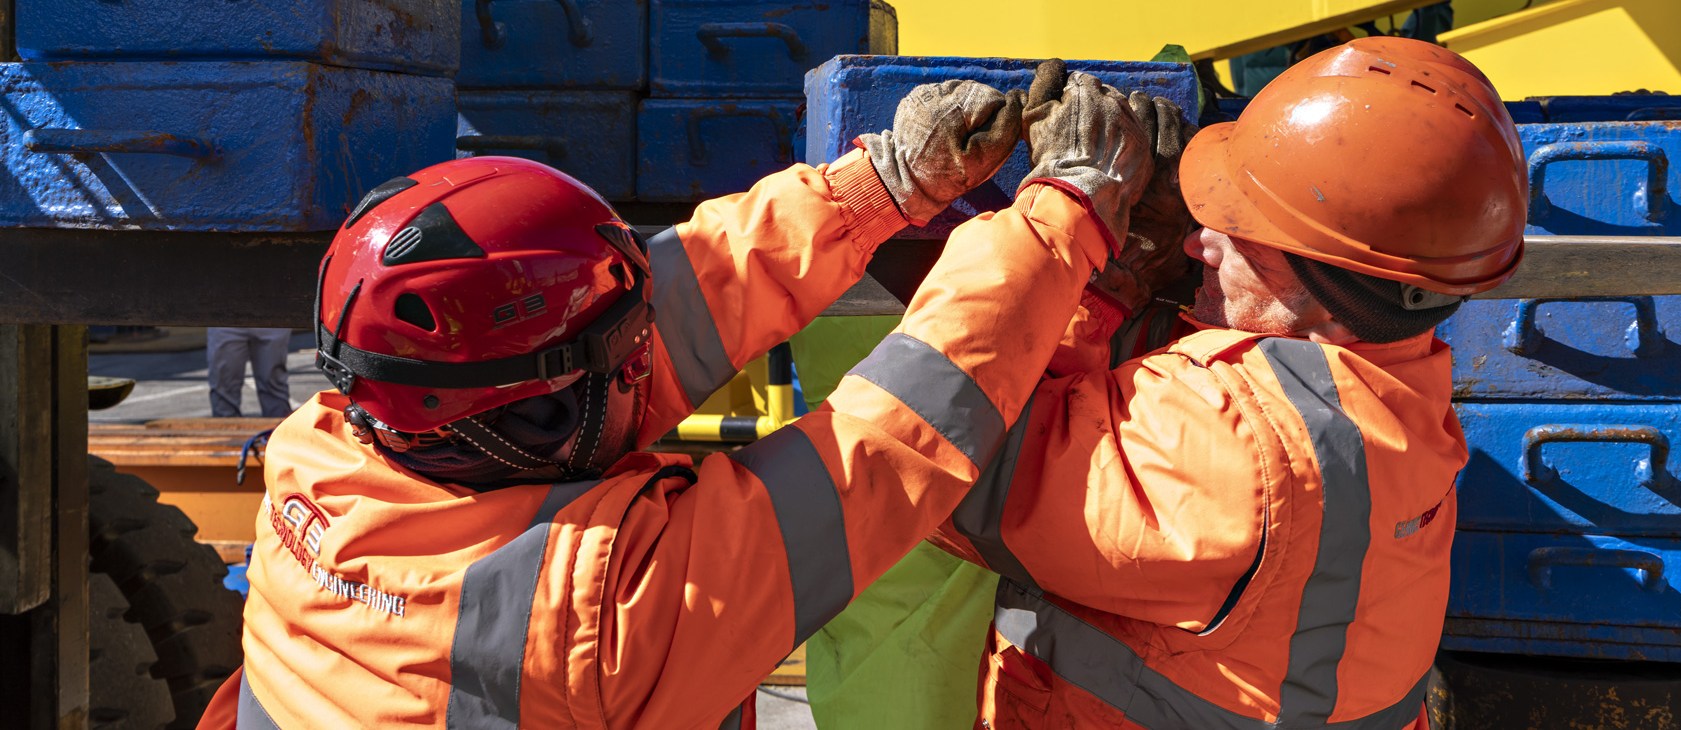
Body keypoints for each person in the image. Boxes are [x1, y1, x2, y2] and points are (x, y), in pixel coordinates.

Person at [198, 62, 1157, 730]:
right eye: (626, 355)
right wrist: (1064, 213)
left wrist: (879, 188)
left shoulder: (323, 447)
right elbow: (893, 436)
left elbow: (679, 305)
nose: (648, 360)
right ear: (544, 410)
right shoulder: (611, 612)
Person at [931, 38, 1529, 729]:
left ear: (1326, 290)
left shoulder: (1235, 450)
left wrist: (1068, 223)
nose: (1198, 243)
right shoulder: (1401, 386)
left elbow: (935, 457)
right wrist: (1134, 299)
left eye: (1242, 232)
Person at [206, 327, 295, 418]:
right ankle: (225, 427)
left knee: (275, 389)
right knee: (224, 388)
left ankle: (279, 426)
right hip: (226, 323)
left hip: (272, 323)